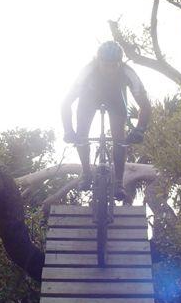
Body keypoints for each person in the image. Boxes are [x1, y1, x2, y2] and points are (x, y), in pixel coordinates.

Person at [61, 41, 151, 200]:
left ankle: (118, 183)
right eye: (105, 64)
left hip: (116, 101)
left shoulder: (127, 72)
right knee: (81, 135)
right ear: (98, 61)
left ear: (120, 63)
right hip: (89, 100)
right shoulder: (88, 71)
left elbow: (144, 105)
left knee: (119, 140)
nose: (109, 69)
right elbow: (66, 102)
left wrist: (140, 129)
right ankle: (86, 173)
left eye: (113, 65)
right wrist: (68, 130)